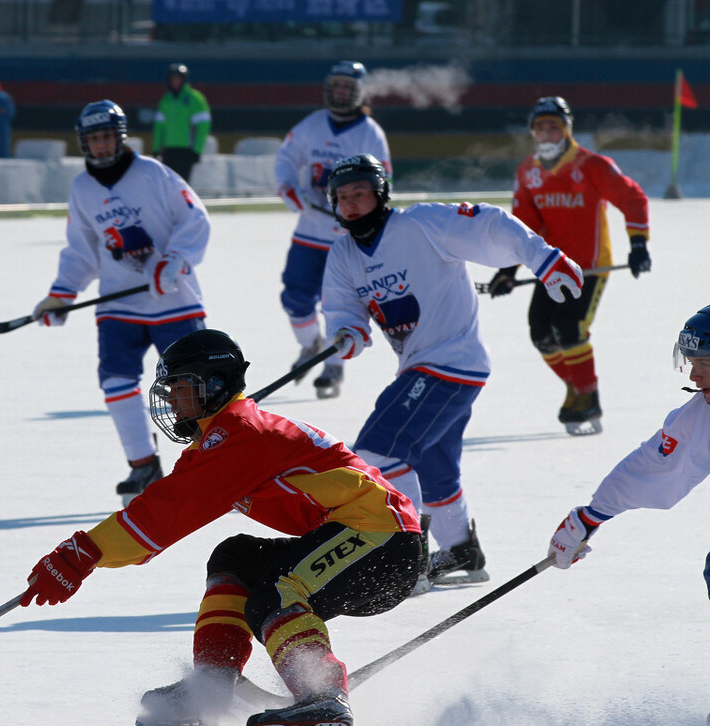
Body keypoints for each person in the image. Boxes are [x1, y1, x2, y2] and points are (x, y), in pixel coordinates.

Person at [20, 328, 423, 726]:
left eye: (179, 387)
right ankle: (213, 683)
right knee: (237, 557)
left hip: (383, 541)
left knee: (276, 594)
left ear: (212, 386)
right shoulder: (220, 439)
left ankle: (322, 697)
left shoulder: (241, 434)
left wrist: (84, 553)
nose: (171, 400)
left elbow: (165, 513)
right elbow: (167, 506)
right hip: (360, 536)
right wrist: (89, 554)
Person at [321, 153, 585, 586]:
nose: (351, 203)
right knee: (432, 465)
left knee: (379, 450)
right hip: (427, 368)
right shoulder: (343, 255)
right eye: (342, 197)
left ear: (380, 193)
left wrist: (543, 259)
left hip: (450, 363)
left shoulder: (420, 224)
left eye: (360, 194)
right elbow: (341, 304)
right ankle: (463, 552)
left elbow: (490, 225)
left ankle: (406, 562)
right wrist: (347, 330)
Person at [32, 100, 211, 505]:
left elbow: (195, 219)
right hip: (119, 305)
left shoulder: (153, 172)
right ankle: (142, 464)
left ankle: (220, 463)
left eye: (106, 136)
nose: (100, 145)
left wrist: (174, 260)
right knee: (115, 380)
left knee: (193, 389)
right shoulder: (82, 189)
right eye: (92, 139)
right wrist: (62, 292)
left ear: (120, 136)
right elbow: (82, 249)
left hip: (174, 302)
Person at [489, 96, 651, 436]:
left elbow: (632, 197)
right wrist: (508, 270)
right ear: (533, 133)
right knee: (540, 331)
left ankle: (587, 396)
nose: (547, 133)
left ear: (566, 130)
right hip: (550, 266)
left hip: (590, 267)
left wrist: (638, 244)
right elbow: (524, 227)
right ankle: (577, 388)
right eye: (540, 128)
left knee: (569, 326)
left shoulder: (593, 165)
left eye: (554, 127)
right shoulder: (528, 172)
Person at [548, 304, 710, 601]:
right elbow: (655, 466)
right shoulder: (700, 414)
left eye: (705, 365)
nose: (693, 377)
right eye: (691, 363)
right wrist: (591, 517)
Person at [273, 61, 391, 400]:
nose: (340, 92)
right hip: (309, 230)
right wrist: (288, 187)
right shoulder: (311, 125)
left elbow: (385, 181)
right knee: (294, 298)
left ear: (358, 92)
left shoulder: (371, 133)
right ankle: (310, 345)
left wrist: (362, 215)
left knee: (337, 304)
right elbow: (285, 159)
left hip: (345, 238)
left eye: (346, 86)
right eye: (335, 85)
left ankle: (334, 365)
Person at [151, 63, 211, 182]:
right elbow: (159, 127)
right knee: (168, 184)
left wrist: (197, 150)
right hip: (168, 150)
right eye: (173, 78)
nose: (175, 82)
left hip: (186, 151)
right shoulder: (166, 100)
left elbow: (203, 126)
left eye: (178, 78)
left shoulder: (194, 99)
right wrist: (156, 148)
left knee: (182, 185)